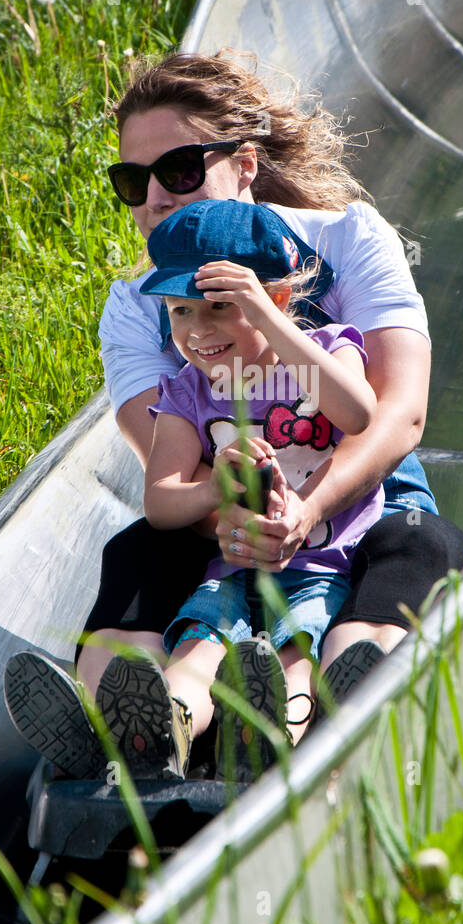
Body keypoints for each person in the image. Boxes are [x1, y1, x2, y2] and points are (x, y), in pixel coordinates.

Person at [3, 49, 463, 781]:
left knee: (418, 543)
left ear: (245, 165)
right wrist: (233, 512)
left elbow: (397, 415)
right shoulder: (140, 305)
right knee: (136, 555)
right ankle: (127, 725)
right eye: (134, 181)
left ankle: (345, 696)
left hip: (358, 500)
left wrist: (305, 509)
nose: (156, 195)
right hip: (217, 515)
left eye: (181, 169)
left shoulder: (344, 241)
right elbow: (161, 456)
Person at [92, 198, 386, 781]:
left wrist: (273, 321)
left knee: (295, 656)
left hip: (322, 569)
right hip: (230, 569)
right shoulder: (185, 393)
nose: (197, 331)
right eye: (179, 313)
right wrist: (212, 490)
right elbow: (161, 499)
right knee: (196, 651)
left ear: (275, 298)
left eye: (220, 308)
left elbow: (357, 412)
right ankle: (159, 731)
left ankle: (270, 739)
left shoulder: (326, 350)